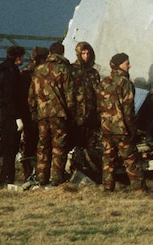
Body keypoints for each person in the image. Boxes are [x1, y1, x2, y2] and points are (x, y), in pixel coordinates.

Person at [28, 41, 75, 186]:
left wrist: (34, 113)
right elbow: (69, 95)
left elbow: (31, 96)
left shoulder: (38, 70)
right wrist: (71, 114)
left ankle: (41, 177)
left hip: (42, 115)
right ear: (63, 53)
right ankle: (56, 178)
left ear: (49, 53)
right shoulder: (63, 70)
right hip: (58, 114)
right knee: (58, 147)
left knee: (43, 146)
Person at [99, 53, 144, 192]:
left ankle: (107, 188)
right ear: (119, 65)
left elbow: (98, 106)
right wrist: (132, 130)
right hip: (121, 129)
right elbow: (128, 109)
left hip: (106, 128)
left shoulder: (104, 82)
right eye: (127, 63)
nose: (129, 66)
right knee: (130, 159)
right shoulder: (126, 83)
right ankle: (138, 189)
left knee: (108, 158)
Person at [70, 41, 102, 183]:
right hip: (76, 116)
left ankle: (90, 173)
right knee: (74, 145)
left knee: (90, 146)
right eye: (83, 53)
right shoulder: (71, 70)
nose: (86, 56)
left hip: (91, 116)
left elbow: (98, 93)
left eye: (88, 53)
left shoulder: (93, 73)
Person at [0, 45, 26, 187]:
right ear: (17, 57)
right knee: (10, 147)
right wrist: (17, 117)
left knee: (5, 146)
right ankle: (7, 177)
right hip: (10, 116)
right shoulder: (11, 73)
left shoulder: (6, 71)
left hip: (5, 114)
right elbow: (11, 97)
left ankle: (1, 176)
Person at [19, 46, 49, 180]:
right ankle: (29, 172)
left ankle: (31, 172)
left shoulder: (27, 72)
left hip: (33, 113)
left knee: (33, 143)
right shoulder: (30, 74)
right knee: (33, 143)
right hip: (33, 113)